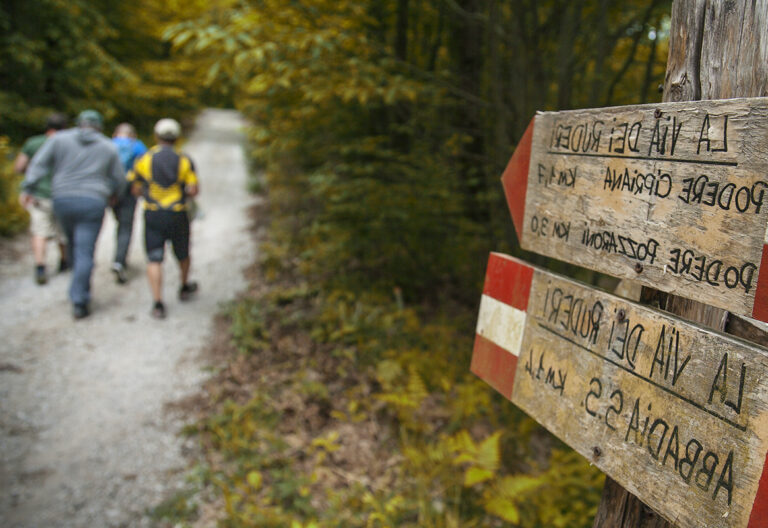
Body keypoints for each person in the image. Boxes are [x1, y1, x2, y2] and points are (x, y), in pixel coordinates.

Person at [23, 109, 125, 319]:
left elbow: (38, 164)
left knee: (72, 244)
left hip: (63, 199)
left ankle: (77, 285)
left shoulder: (59, 140)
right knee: (84, 250)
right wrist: (114, 195)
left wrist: (28, 188)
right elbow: (119, 178)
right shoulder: (108, 146)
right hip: (93, 202)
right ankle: (79, 299)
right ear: (99, 126)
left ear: (79, 123)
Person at [128, 118, 199, 319]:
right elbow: (193, 190)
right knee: (182, 252)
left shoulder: (144, 159)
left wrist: (148, 194)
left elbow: (135, 188)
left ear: (156, 136)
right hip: (177, 213)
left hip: (153, 213)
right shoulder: (184, 159)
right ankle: (184, 286)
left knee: (154, 257)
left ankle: (158, 302)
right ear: (177, 137)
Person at [15, 113, 69, 284]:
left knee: (39, 231)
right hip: (63, 194)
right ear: (64, 127)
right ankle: (64, 261)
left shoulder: (33, 143)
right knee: (63, 231)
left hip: (39, 195)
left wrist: (28, 180)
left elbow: (19, 167)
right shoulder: (69, 144)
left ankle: (40, 266)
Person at [110, 123, 147, 283]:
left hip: (111, 191)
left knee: (118, 221)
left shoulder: (108, 145)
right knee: (125, 226)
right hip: (130, 190)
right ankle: (119, 260)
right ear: (133, 135)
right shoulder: (138, 146)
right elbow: (145, 168)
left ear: (115, 134)